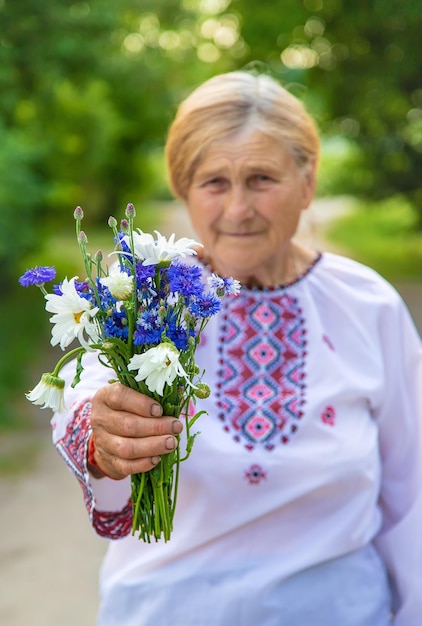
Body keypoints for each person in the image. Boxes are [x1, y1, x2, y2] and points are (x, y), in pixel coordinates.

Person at [52, 71, 422, 625]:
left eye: (262, 178)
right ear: (183, 188)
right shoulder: (140, 301)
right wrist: (104, 441)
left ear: (308, 180)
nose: (238, 209)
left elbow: (412, 497)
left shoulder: (367, 306)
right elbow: (86, 408)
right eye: (215, 183)